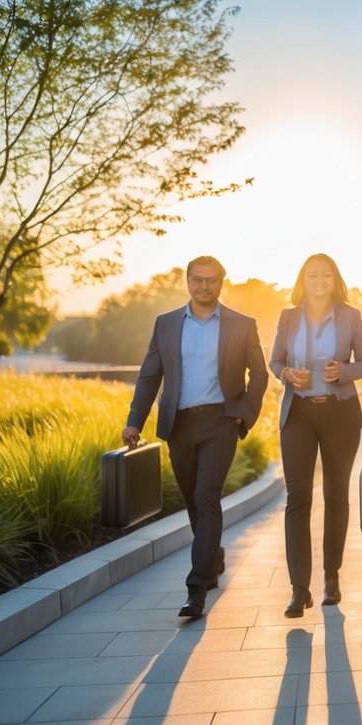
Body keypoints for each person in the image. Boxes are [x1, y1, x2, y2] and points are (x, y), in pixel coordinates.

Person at [123, 256, 268, 619]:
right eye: (198, 280)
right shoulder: (167, 324)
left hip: (221, 422)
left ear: (222, 282)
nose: (204, 286)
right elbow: (149, 376)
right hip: (180, 425)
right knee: (192, 498)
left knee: (207, 496)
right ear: (187, 281)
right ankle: (213, 555)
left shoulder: (241, 324)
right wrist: (134, 422)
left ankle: (196, 588)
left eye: (211, 281)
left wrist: (244, 414)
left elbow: (260, 374)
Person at [270, 254, 362, 618]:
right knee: (297, 498)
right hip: (297, 414)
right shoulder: (287, 317)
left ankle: (331, 578)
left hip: (339, 414)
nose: (319, 280)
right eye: (312, 274)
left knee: (335, 496)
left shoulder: (351, 316)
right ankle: (299, 589)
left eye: (325, 274)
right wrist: (286, 375)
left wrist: (343, 370)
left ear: (334, 279)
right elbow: (275, 361)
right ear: (303, 278)